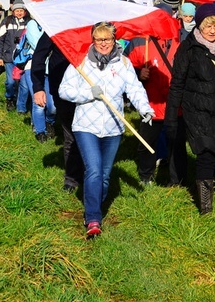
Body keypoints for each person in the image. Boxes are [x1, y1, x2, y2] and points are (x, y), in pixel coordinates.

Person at [59, 21, 154, 238]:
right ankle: (93, 218)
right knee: (93, 170)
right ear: (93, 40)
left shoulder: (123, 63)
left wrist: (145, 109)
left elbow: (135, 89)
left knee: (103, 175)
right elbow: (64, 90)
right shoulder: (80, 62)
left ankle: (94, 206)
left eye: (108, 39)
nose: (104, 43)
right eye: (99, 39)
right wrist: (87, 94)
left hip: (114, 127)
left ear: (114, 40)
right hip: (86, 126)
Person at [165, 3, 215, 215]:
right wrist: (172, 116)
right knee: (206, 152)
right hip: (197, 109)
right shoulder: (188, 48)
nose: (212, 30)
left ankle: (204, 179)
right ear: (199, 26)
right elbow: (177, 83)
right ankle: (205, 207)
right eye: (207, 26)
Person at [125, 4, 182, 187]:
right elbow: (124, 68)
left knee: (177, 145)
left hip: (175, 105)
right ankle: (146, 177)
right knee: (146, 144)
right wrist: (138, 71)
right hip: (150, 104)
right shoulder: (140, 41)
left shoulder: (180, 39)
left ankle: (177, 180)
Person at [32, 32, 84, 192]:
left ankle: (91, 175)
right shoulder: (55, 26)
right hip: (62, 89)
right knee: (70, 134)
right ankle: (72, 179)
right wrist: (38, 88)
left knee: (88, 133)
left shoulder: (92, 24)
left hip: (90, 90)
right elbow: (39, 57)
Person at [18, 18, 56, 142]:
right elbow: (37, 44)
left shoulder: (53, 24)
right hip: (33, 67)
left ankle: (50, 122)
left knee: (53, 105)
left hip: (51, 69)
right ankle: (40, 131)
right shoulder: (32, 24)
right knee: (39, 102)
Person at [0, 0, 29, 111]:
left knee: (23, 84)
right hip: (8, 57)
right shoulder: (7, 22)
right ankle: (9, 98)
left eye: (21, 10)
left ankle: (20, 106)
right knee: (11, 82)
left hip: (23, 58)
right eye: (17, 10)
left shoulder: (29, 23)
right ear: (13, 11)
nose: (19, 12)